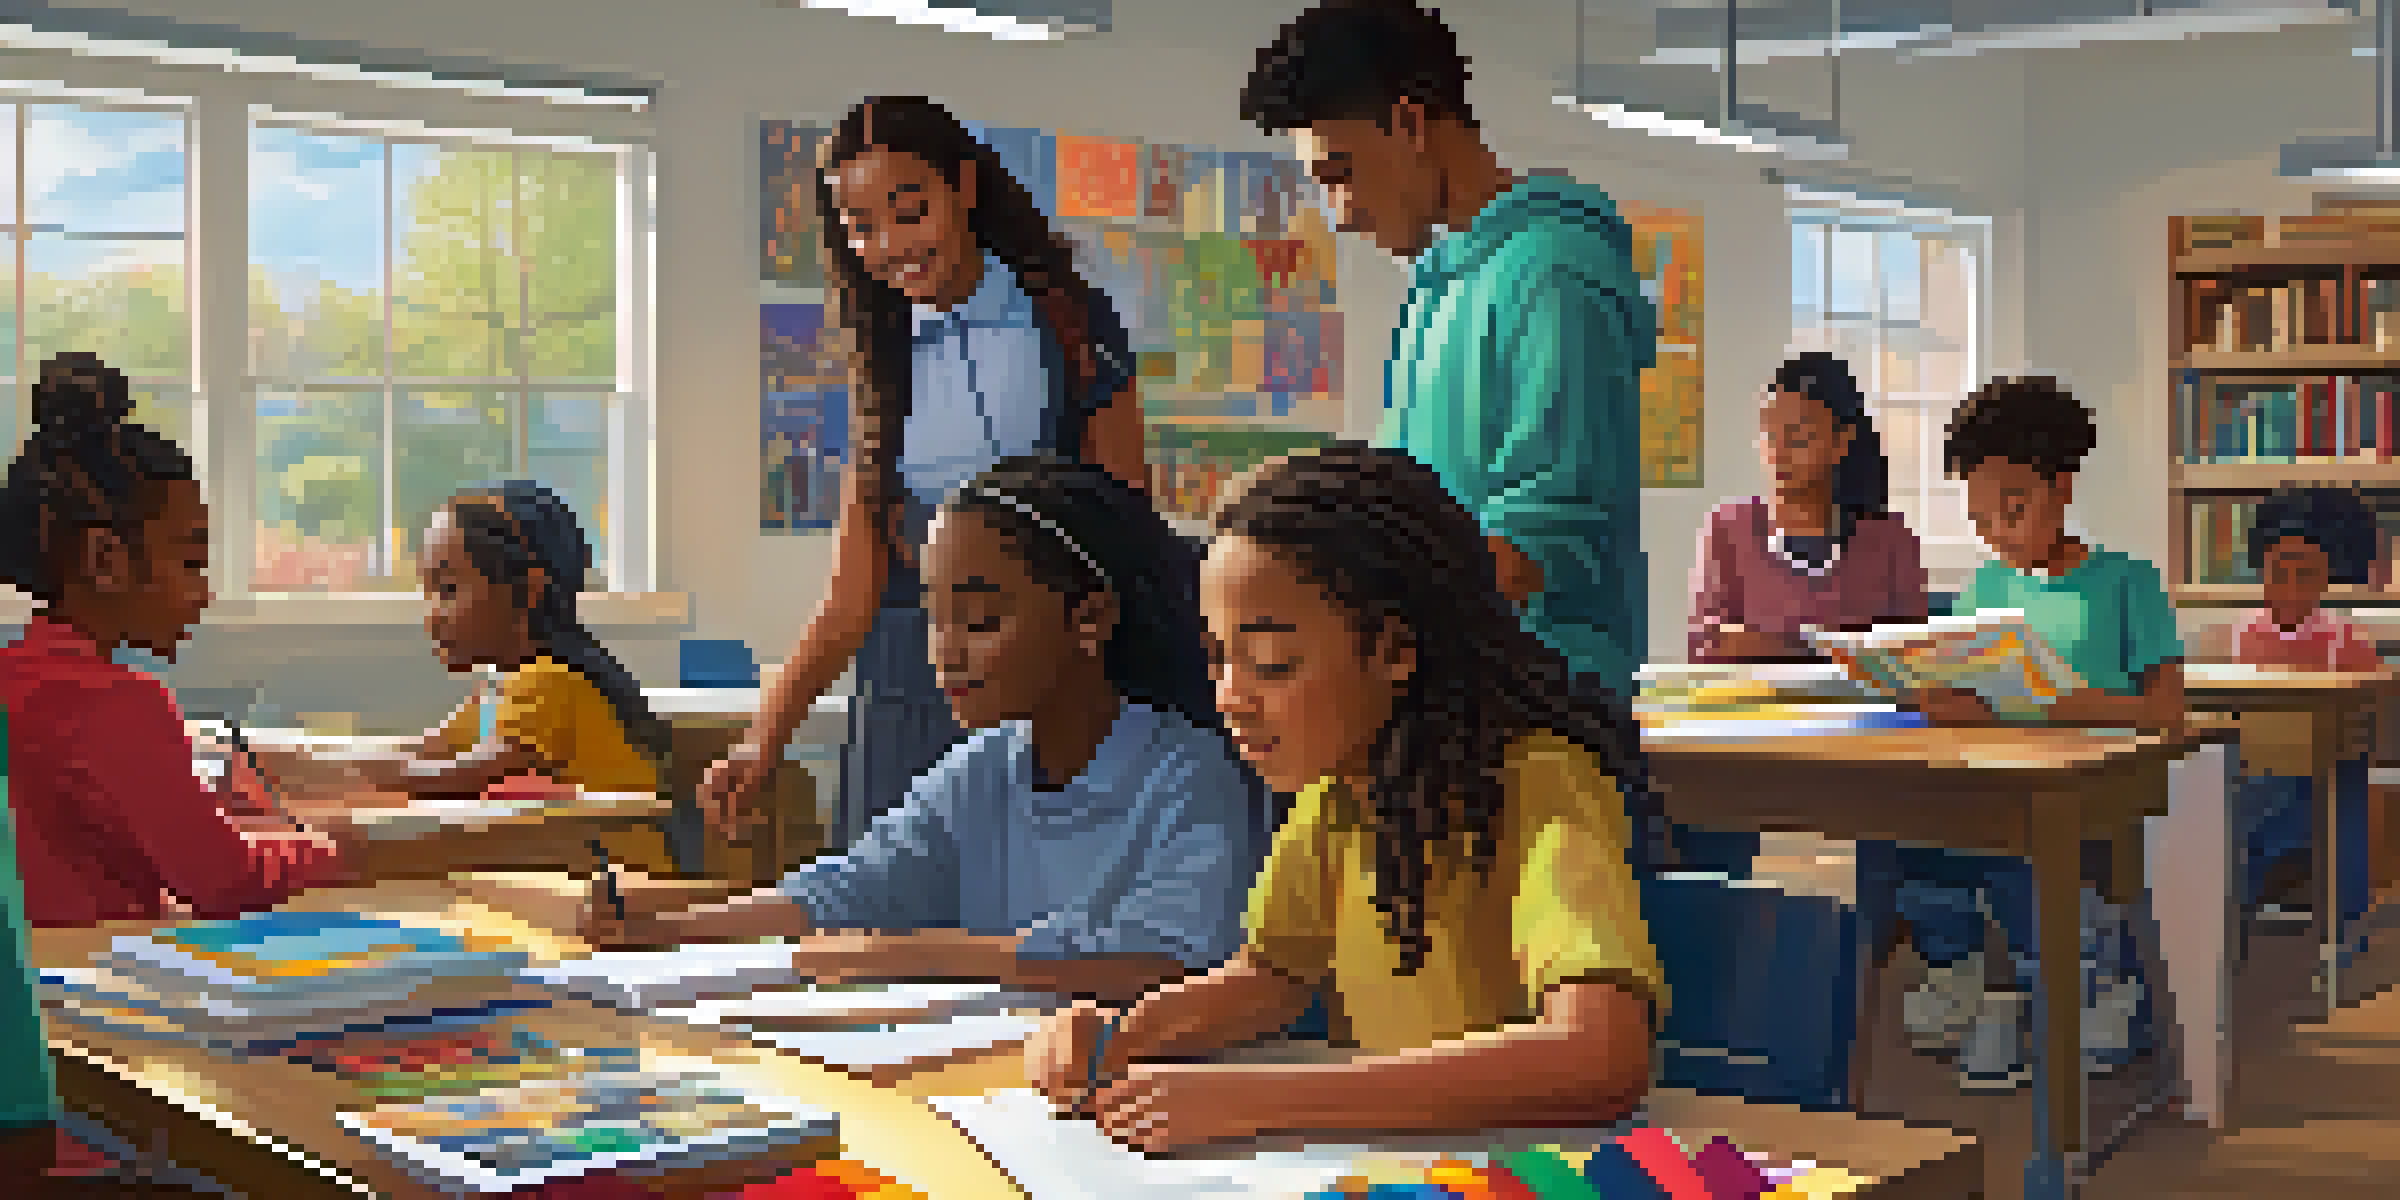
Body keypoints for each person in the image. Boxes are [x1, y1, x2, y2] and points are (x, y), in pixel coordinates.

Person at [1027, 444, 1664, 1152]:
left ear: (1394, 649)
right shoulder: (1336, 797)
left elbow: (1600, 1055)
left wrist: (1269, 1101)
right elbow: (1269, 978)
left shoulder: (1539, 782)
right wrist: (1120, 1036)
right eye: (1217, 659)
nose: (1233, 698)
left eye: (1272, 664)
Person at [584, 457, 1261, 1007]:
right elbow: (848, 890)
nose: (947, 652)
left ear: (1089, 619)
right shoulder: (983, 768)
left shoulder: (1190, 774)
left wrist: (909, 951)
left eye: (981, 621)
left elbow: (1162, 957)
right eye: (935, 619)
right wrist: (659, 931)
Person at [701, 96, 1150, 855]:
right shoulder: (884, 355)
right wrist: (761, 742)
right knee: (877, 941)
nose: (888, 245)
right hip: (907, 695)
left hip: (1042, 687)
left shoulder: (1067, 324)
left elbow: (1130, 529)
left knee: (1030, 942)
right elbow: (849, 600)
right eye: (861, 225)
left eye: (910, 212)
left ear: (964, 190)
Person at [1238, 0, 1657, 696]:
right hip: (1445, 701)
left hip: (1538, 714)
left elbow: (1533, 551)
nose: (1340, 213)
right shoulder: (1438, 282)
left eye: (1342, 172)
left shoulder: (1554, 273)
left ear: (1409, 123)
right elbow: (1414, 507)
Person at [1857, 377, 2183, 1092]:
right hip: (1998, 780)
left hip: (2095, 790)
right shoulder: (1985, 590)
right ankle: (1972, 980)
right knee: (1898, 827)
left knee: (2031, 846)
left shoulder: (2128, 583)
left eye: (2015, 509)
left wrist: (2072, 706)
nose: (1999, 532)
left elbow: (2165, 711)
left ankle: (2073, 984)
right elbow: (1968, 695)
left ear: (2062, 489)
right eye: (1981, 518)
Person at [0, 353, 362, 928]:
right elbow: (227, 883)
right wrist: (324, 844)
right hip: (90, 992)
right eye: (191, 559)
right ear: (105, 560)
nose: (203, 592)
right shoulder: (114, 702)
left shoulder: (18, 675)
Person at [263, 480, 680, 869]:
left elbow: (460, 779)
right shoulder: (504, 688)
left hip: (628, 883)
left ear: (527, 591)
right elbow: (425, 750)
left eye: (447, 590)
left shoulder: (549, 682)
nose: (431, 616)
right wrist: (291, 758)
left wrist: (325, 775)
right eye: (427, 592)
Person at [1684, 353, 1928, 877]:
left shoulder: (1888, 539)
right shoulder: (1728, 527)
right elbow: (1707, 646)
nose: (1777, 453)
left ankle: (1888, 931)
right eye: (1769, 435)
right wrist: (1832, 649)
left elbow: (1912, 659)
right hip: (1749, 735)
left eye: (1797, 437)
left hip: (1865, 745)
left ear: (1841, 443)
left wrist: (1768, 643)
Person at [2224, 486, 2381, 927]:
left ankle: (2346, 924)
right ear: (2262, 570)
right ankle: (2228, 904)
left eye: (2306, 572)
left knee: (2340, 782)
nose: (2291, 586)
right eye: (2280, 570)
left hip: (2320, 765)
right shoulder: (2237, 634)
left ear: (2326, 576)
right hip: (2252, 765)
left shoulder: (2345, 639)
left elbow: (2367, 714)